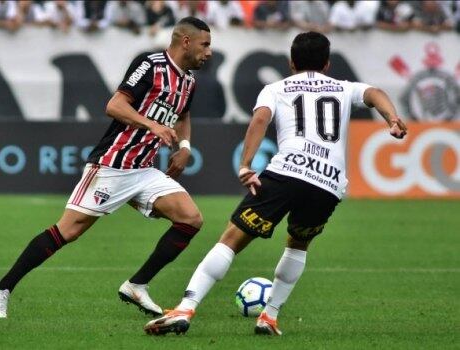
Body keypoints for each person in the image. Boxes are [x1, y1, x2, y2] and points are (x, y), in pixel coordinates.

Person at [144, 31, 408, 336]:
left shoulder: (276, 88)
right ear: (327, 63)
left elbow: (259, 120)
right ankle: (269, 316)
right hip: (328, 183)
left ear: (291, 62)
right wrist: (392, 118)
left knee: (231, 240)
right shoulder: (343, 88)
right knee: (298, 244)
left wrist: (246, 165)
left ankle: (185, 308)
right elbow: (375, 93)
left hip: (287, 173)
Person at [0, 16, 212, 319]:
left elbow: (182, 116)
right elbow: (114, 105)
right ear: (186, 41)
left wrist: (184, 147)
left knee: (191, 218)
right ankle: (2, 287)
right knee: (68, 230)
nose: (209, 52)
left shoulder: (189, 81)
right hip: (112, 164)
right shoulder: (151, 65)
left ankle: (137, 285)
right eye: (205, 44)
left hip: (143, 170)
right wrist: (153, 126)